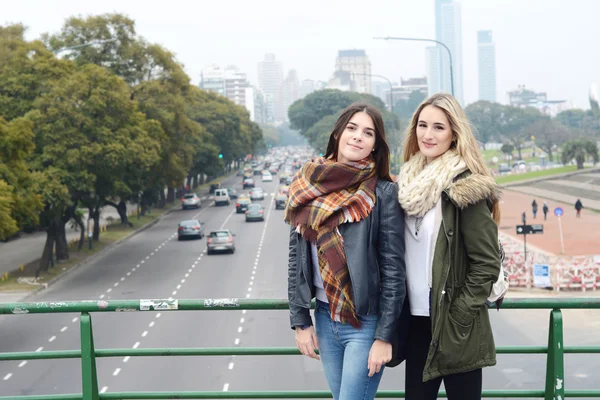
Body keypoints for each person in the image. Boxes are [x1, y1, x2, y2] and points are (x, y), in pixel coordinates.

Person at [286, 102, 406, 400]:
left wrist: (384, 336)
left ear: (375, 145)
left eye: (368, 133)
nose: (358, 137)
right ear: (338, 134)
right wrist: (301, 320)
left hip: (365, 322)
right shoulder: (306, 185)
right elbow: (296, 260)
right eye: (352, 128)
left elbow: (393, 271)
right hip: (325, 318)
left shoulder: (382, 192)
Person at [396, 93, 501, 399]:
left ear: (454, 133)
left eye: (439, 127)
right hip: (415, 324)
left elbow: (487, 263)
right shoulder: (407, 182)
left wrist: (457, 316)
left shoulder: (464, 187)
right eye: (422, 125)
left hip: (456, 328)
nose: (428, 135)